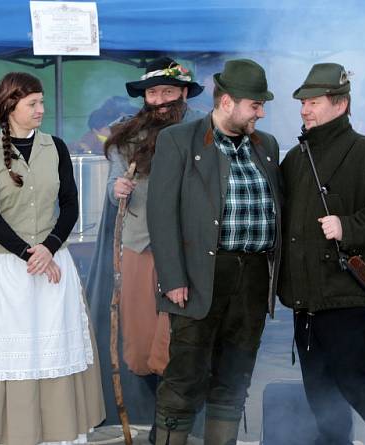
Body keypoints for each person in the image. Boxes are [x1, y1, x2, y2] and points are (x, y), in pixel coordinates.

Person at [0, 72, 104, 445]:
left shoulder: (55, 147)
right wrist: (28, 253)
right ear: (10, 107)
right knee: (12, 356)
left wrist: (49, 247)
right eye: (33, 104)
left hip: (53, 265)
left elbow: (70, 204)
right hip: (8, 268)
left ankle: (57, 434)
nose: (42, 109)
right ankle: (12, 434)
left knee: (55, 350)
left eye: (41, 102)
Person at [278, 62, 365, 445]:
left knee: (358, 384)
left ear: (340, 104)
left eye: (313, 101)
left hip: (347, 295)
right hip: (305, 299)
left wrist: (348, 226)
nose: (304, 109)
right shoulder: (293, 160)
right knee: (320, 394)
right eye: (302, 102)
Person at [147, 59, 282, 445]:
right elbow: (161, 214)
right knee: (185, 378)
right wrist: (172, 278)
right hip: (198, 275)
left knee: (235, 376)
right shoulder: (179, 140)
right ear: (227, 102)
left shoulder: (266, 145)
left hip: (252, 277)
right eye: (255, 105)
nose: (262, 112)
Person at [86, 57, 206, 431]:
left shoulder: (203, 132)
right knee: (139, 342)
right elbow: (112, 187)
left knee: (177, 338)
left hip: (187, 248)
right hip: (140, 246)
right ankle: (154, 419)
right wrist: (116, 189)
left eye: (167, 92)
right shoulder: (127, 136)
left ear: (183, 93)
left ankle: (176, 423)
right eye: (153, 93)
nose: (160, 100)